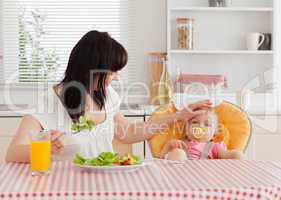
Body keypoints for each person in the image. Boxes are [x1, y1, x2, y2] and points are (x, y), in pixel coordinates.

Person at [5, 30, 212, 163]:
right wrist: (46, 149)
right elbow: (12, 153)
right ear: (91, 68)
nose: (115, 77)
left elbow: (129, 132)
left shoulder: (106, 95)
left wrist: (178, 116)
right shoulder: (49, 100)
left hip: (105, 180)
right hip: (64, 185)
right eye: (112, 71)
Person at [160, 111, 243, 160]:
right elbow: (161, 159)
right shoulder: (180, 144)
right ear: (186, 130)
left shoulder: (214, 147)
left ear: (214, 134)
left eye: (207, 124)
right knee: (178, 153)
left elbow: (226, 155)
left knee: (237, 154)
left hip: (205, 176)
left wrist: (234, 155)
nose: (200, 126)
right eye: (195, 122)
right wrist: (169, 145)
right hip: (182, 173)